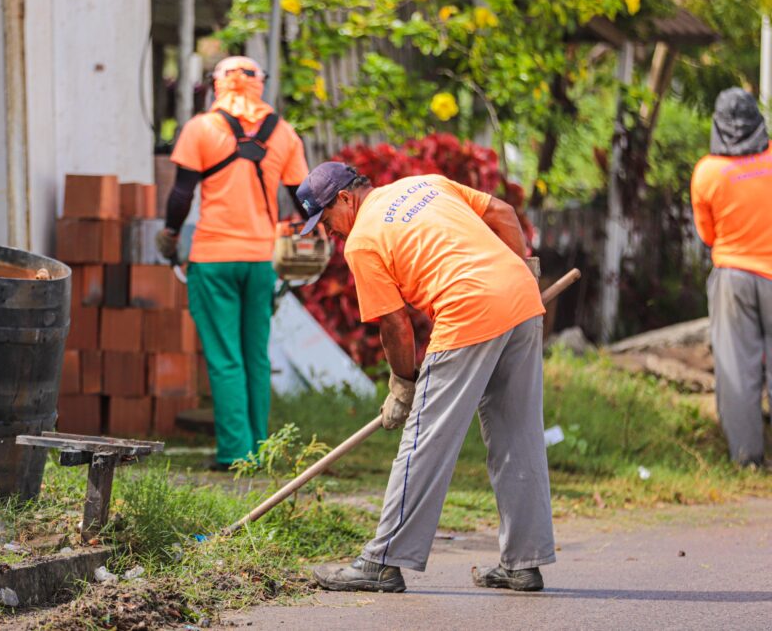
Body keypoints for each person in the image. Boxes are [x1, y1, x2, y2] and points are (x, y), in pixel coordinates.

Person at [297, 162, 554, 593]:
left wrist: (402, 383)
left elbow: (395, 324)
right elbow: (505, 214)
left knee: (424, 440)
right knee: (518, 437)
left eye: (326, 220)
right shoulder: (425, 184)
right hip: (521, 301)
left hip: (467, 310)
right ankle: (523, 564)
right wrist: (523, 274)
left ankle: (381, 561)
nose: (329, 231)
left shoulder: (362, 241)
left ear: (345, 199)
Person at [156, 56, 309, 469]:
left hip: (213, 258)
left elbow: (181, 195)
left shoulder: (202, 128)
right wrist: (311, 240)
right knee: (255, 355)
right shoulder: (285, 134)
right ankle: (261, 450)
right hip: (262, 260)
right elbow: (303, 199)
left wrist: (170, 236)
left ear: (216, 85)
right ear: (260, 84)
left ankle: (234, 455)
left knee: (226, 357)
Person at [690, 87, 772, 467]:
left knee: (737, 370)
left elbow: (707, 236)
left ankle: (748, 459)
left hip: (733, 278)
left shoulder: (707, 172)